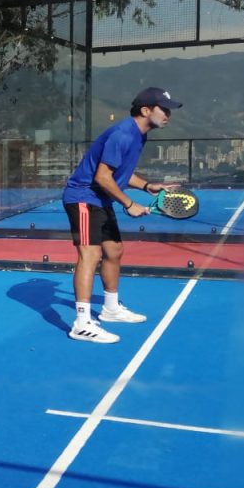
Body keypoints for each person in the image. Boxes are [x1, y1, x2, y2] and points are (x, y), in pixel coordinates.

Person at [60, 86, 182, 343]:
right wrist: (129, 204)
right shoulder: (123, 134)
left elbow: (119, 175)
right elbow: (102, 177)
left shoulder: (139, 136)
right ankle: (81, 323)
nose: (168, 114)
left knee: (114, 251)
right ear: (146, 110)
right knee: (90, 254)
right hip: (82, 197)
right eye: (164, 109)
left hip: (100, 199)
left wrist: (147, 186)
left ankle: (111, 309)